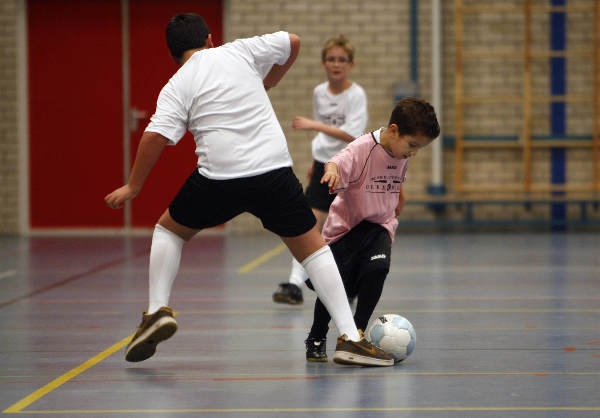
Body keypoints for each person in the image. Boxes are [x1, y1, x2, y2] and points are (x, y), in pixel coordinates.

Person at [104, 13, 393, 366]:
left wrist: (134, 185)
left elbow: (155, 137)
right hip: (272, 172)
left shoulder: (176, 84)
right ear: (210, 39)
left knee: (169, 230)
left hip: (218, 179)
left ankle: (155, 311)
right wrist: (269, 80)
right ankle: (349, 337)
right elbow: (293, 40)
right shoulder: (238, 51)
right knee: (313, 250)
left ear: (173, 54)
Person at [303, 97, 440, 362]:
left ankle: (354, 335)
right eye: (412, 145)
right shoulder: (363, 148)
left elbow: (392, 177)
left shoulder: (401, 152)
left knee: (377, 270)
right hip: (347, 228)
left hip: (380, 225)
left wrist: (399, 196)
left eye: (419, 148)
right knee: (337, 287)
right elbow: (336, 161)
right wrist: (331, 172)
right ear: (394, 130)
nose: (413, 152)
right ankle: (317, 336)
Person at [273, 35, 368, 305]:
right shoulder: (319, 92)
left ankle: (349, 283)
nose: (336, 64)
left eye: (341, 60)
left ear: (350, 64)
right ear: (323, 64)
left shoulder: (356, 94)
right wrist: (315, 165)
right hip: (323, 166)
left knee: (347, 228)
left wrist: (315, 125)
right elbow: (326, 139)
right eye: (331, 59)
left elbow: (352, 134)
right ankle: (294, 285)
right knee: (306, 223)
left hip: (348, 167)